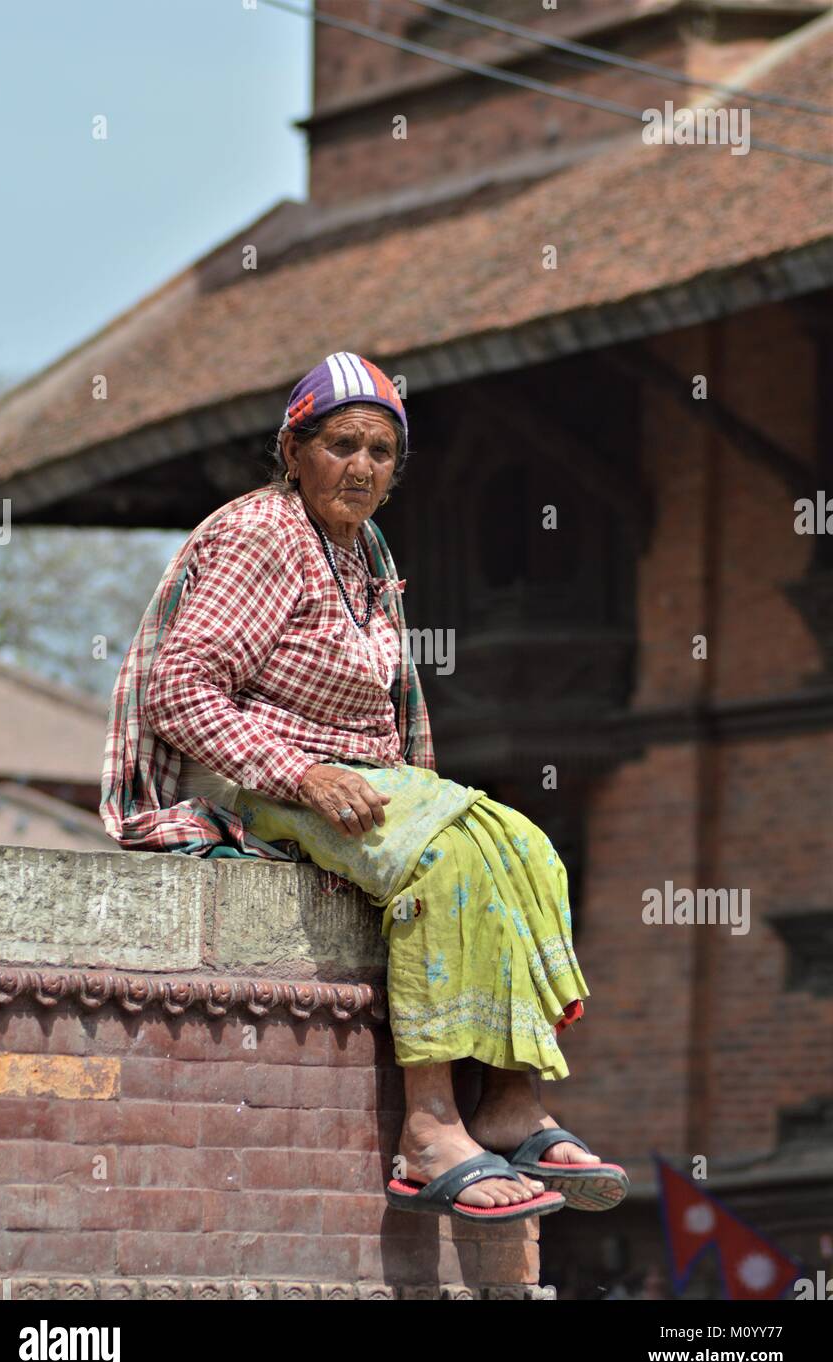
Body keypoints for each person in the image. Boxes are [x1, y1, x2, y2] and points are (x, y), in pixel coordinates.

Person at [100, 350, 629, 1223]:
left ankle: (509, 1103)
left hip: (363, 779)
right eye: (342, 445)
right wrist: (301, 775)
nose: (363, 468)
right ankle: (427, 1129)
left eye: (382, 454)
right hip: (265, 778)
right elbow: (180, 688)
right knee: (442, 864)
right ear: (294, 449)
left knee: (528, 848)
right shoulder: (261, 533)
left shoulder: (367, 547)